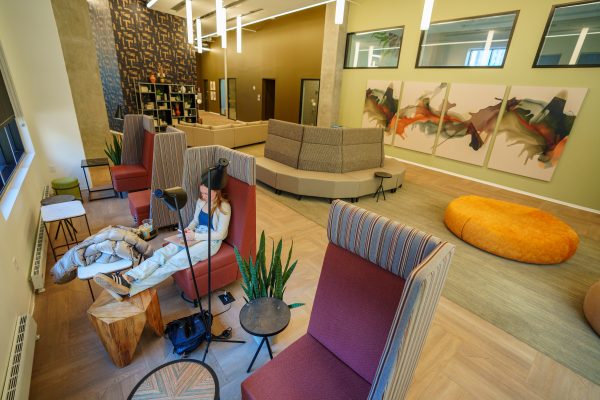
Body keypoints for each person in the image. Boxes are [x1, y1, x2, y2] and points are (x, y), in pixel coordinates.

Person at [93, 184, 230, 299]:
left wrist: (195, 236)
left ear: (216, 190)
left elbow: (221, 234)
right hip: (194, 235)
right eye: (202, 193)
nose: (203, 196)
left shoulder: (224, 207)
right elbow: (195, 221)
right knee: (162, 253)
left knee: (173, 262)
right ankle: (128, 277)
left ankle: (130, 289)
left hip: (210, 242)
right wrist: (187, 230)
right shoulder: (201, 201)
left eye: (206, 193)